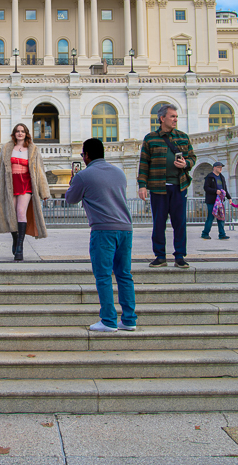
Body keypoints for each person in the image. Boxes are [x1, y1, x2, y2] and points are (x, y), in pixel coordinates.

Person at [63, 138, 136, 333]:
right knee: (124, 274)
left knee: (103, 275)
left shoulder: (84, 176)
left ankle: (108, 320)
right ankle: (129, 319)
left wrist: (73, 181)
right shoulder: (119, 173)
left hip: (103, 229)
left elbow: (70, 199)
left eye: (82, 155)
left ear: (86, 155)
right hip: (125, 228)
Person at [137, 103, 197, 268]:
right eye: (172, 116)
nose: (175, 119)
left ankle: (179, 256)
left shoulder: (183, 137)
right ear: (162, 118)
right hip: (158, 187)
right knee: (159, 223)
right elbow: (144, 164)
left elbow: (193, 157)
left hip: (179, 186)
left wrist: (186, 163)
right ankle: (160, 256)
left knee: (180, 223)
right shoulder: (150, 138)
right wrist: (142, 185)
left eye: (176, 116)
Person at [0, 123, 50, 262]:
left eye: (22, 131)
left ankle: (20, 247)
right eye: (18, 131)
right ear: (14, 133)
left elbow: (40, 170)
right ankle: (15, 240)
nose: (20, 133)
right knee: (12, 212)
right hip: (10, 183)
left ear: (26, 133)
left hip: (26, 183)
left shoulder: (33, 149)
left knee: (21, 212)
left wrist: (44, 191)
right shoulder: (7, 147)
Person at [201, 162, 231, 240]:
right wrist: (215, 191)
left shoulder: (222, 177)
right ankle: (205, 233)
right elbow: (206, 188)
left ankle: (222, 234)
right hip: (212, 201)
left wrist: (229, 197)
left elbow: (225, 189)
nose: (220, 168)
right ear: (214, 167)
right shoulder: (210, 177)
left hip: (220, 201)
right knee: (210, 217)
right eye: (219, 167)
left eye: (221, 167)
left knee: (221, 217)